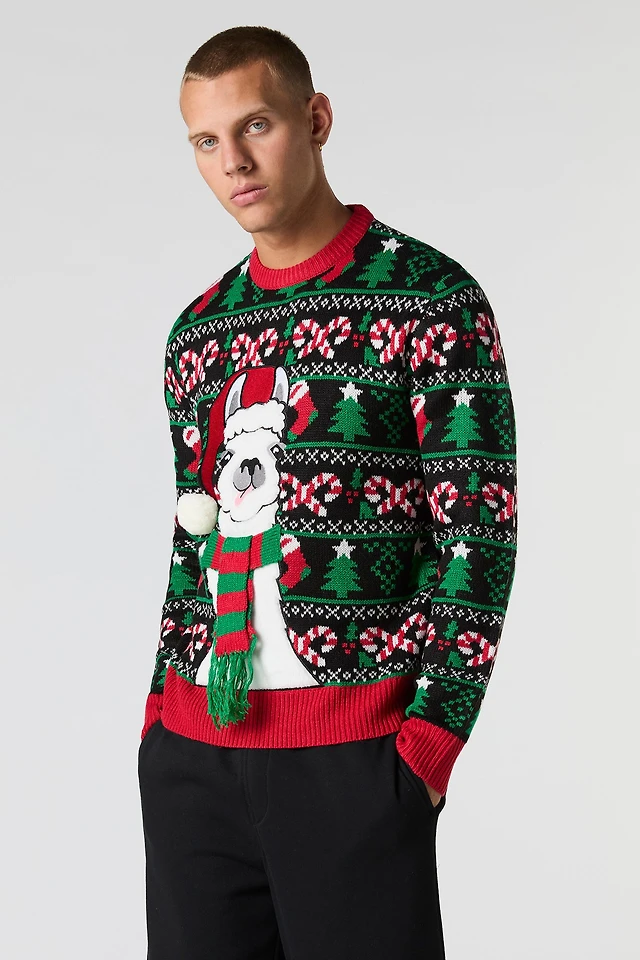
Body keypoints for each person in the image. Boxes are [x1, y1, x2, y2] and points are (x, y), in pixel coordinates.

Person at [137, 23, 518, 960]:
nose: (234, 162)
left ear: (316, 118)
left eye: (256, 125)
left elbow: (478, 533)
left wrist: (428, 745)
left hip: (352, 757)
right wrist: (158, 718)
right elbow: (192, 540)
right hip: (193, 755)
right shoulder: (198, 333)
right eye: (206, 141)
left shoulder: (429, 298)